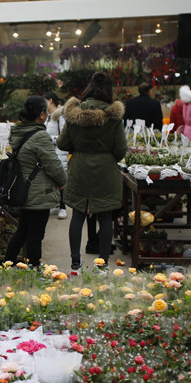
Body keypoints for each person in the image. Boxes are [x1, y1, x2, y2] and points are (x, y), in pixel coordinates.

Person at [57, 72, 127, 273]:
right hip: (106, 170)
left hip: (79, 168)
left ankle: (75, 265)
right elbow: (121, 150)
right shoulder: (114, 117)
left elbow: (63, 143)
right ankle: (103, 265)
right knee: (105, 217)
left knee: (78, 215)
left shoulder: (73, 114)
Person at [3, 96, 67, 268]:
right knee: (35, 236)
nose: (47, 114)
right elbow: (53, 164)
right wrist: (63, 181)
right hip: (39, 191)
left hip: (24, 188)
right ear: (41, 114)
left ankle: (6, 264)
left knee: (23, 231)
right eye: (45, 111)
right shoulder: (40, 135)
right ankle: (34, 271)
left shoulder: (19, 131)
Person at [43, 92, 68, 220]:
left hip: (60, 153)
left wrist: (48, 139)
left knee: (61, 180)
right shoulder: (48, 116)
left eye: (45, 101)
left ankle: (63, 207)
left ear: (50, 100)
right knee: (52, 180)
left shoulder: (60, 116)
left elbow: (64, 136)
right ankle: (56, 205)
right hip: (51, 153)